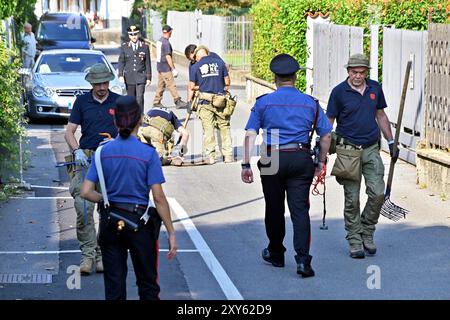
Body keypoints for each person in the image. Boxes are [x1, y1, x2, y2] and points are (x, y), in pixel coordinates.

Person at [241, 54, 332, 278]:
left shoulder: (263, 102)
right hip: (300, 156)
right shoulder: (310, 103)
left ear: (275, 78)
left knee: (274, 207)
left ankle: (276, 253)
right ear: (295, 77)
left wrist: (245, 164)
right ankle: (303, 261)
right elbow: (326, 135)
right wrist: (320, 161)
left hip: (272, 156)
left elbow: (250, 134)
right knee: (300, 210)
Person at [80, 96, 177, 300]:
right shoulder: (148, 154)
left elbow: (86, 191)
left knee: (114, 287)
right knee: (147, 284)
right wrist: (171, 231)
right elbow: (158, 197)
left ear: (115, 122)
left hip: (110, 223)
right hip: (140, 224)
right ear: (140, 120)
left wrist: (105, 200)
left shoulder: (101, 152)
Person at [326, 53, 398, 259]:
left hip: (371, 148)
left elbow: (381, 115)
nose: (358, 76)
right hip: (347, 151)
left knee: (377, 193)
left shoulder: (375, 88)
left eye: (361, 72)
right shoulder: (339, 92)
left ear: (367, 73)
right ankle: (355, 240)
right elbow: (328, 121)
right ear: (348, 71)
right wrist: (322, 147)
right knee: (352, 199)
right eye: (354, 72)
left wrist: (391, 141)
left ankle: (367, 230)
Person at [64, 63, 121, 275]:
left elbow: (130, 130)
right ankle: (88, 254)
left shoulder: (118, 101)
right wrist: (77, 150)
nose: (102, 87)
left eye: (105, 82)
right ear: (91, 84)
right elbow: (69, 132)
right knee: (83, 205)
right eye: (98, 84)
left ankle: (103, 256)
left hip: (111, 158)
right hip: (86, 159)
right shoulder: (81, 102)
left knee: (110, 208)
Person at [188, 45, 233, 164]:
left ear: (197, 56)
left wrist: (202, 86)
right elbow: (227, 82)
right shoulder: (220, 63)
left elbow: (192, 87)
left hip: (204, 101)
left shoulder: (195, 67)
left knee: (208, 129)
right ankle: (228, 155)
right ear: (207, 53)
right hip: (220, 100)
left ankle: (211, 156)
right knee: (224, 127)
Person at [153, 25, 188, 109]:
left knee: (161, 85)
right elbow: (168, 57)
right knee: (171, 84)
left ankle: (156, 101)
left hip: (160, 67)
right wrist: (173, 69)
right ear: (170, 32)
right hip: (165, 68)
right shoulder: (166, 43)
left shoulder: (160, 41)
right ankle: (177, 100)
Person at [118, 25, 151, 109]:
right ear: (129, 36)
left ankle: (140, 117)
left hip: (141, 76)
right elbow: (121, 61)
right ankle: (132, 117)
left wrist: (148, 78)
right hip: (129, 77)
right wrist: (120, 75)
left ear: (138, 34)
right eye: (132, 35)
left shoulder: (144, 47)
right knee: (131, 99)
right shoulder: (124, 46)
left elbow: (147, 63)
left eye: (135, 34)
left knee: (139, 98)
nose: (134, 37)